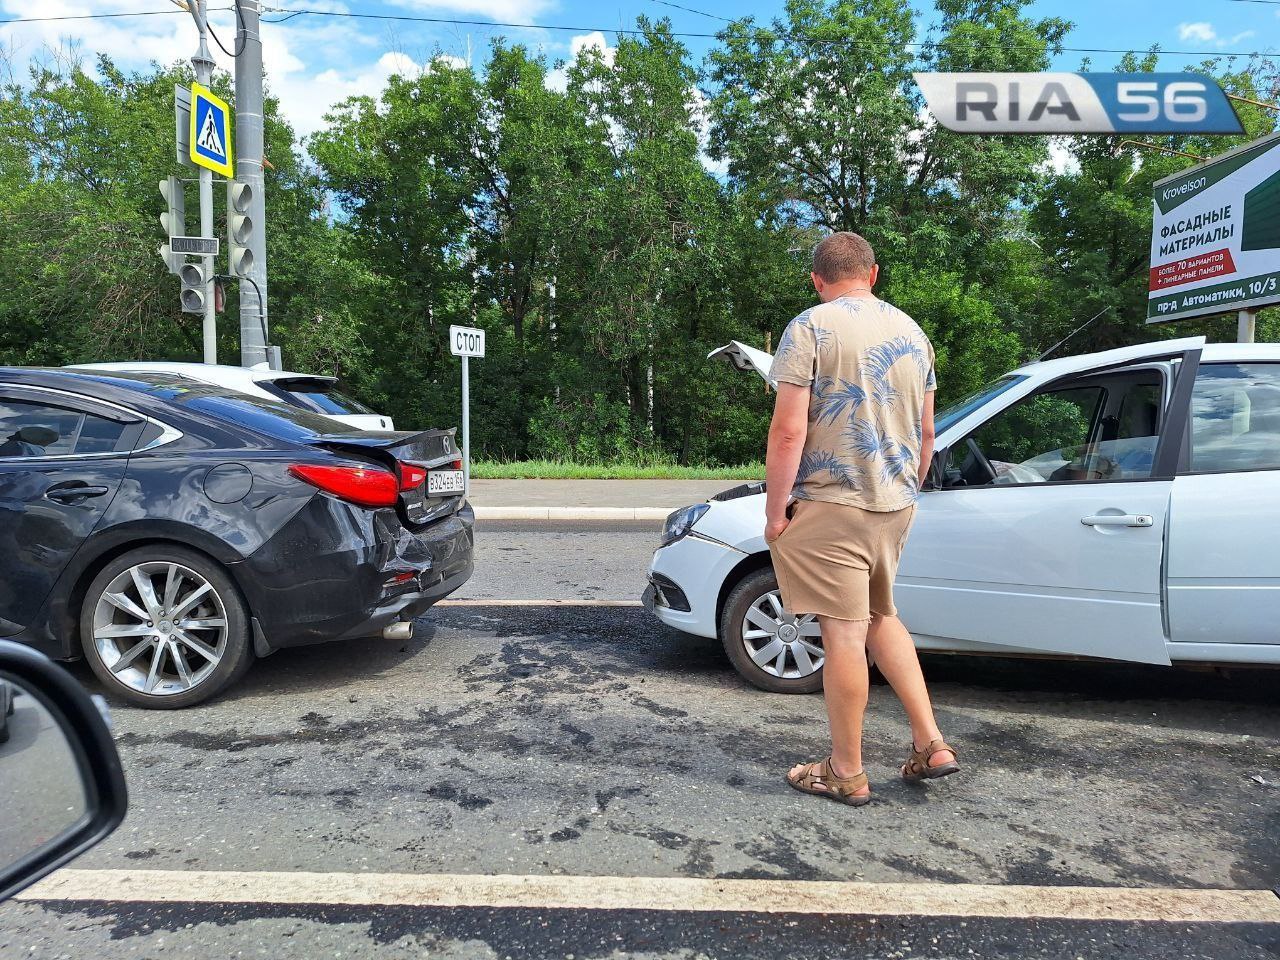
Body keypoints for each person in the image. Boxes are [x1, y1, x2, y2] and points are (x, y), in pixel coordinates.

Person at [764, 231, 958, 807]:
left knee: (843, 631)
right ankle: (931, 743)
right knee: (882, 616)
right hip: (894, 502)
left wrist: (776, 512)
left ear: (817, 281)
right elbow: (927, 434)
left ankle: (846, 770)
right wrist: (908, 487)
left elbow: (788, 429)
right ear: (873, 275)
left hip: (833, 502)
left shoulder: (810, 328)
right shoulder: (913, 333)